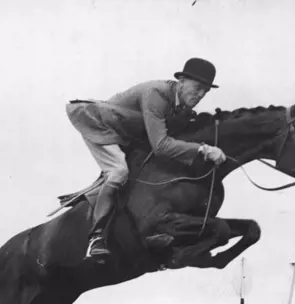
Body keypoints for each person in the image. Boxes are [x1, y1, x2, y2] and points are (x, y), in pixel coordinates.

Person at [66, 58, 227, 262]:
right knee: (119, 172)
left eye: (206, 91)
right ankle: (96, 238)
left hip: (125, 129)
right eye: (198, 88)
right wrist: (203, 149)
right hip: (98, 122)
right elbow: (160, 145)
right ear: (182, 81)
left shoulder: (179, 104)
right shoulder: (157, 94)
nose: (201, 95)